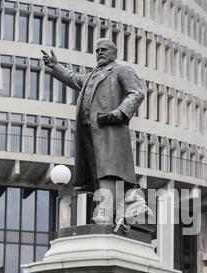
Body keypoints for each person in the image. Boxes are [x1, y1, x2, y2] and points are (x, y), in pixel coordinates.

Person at [42, 39, 152, 227]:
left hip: (110, 130)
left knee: (109, 171)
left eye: (104, 50)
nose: (99, 52)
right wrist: (56, 66)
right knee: (97, 173)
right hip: (89, 133)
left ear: (114, 53)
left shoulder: (121, 71)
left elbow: (136, 93)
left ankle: (106, 211)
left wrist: (120, 112)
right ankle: (114, 208)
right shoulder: (91, 76)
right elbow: (72, 78)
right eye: (97, 50)